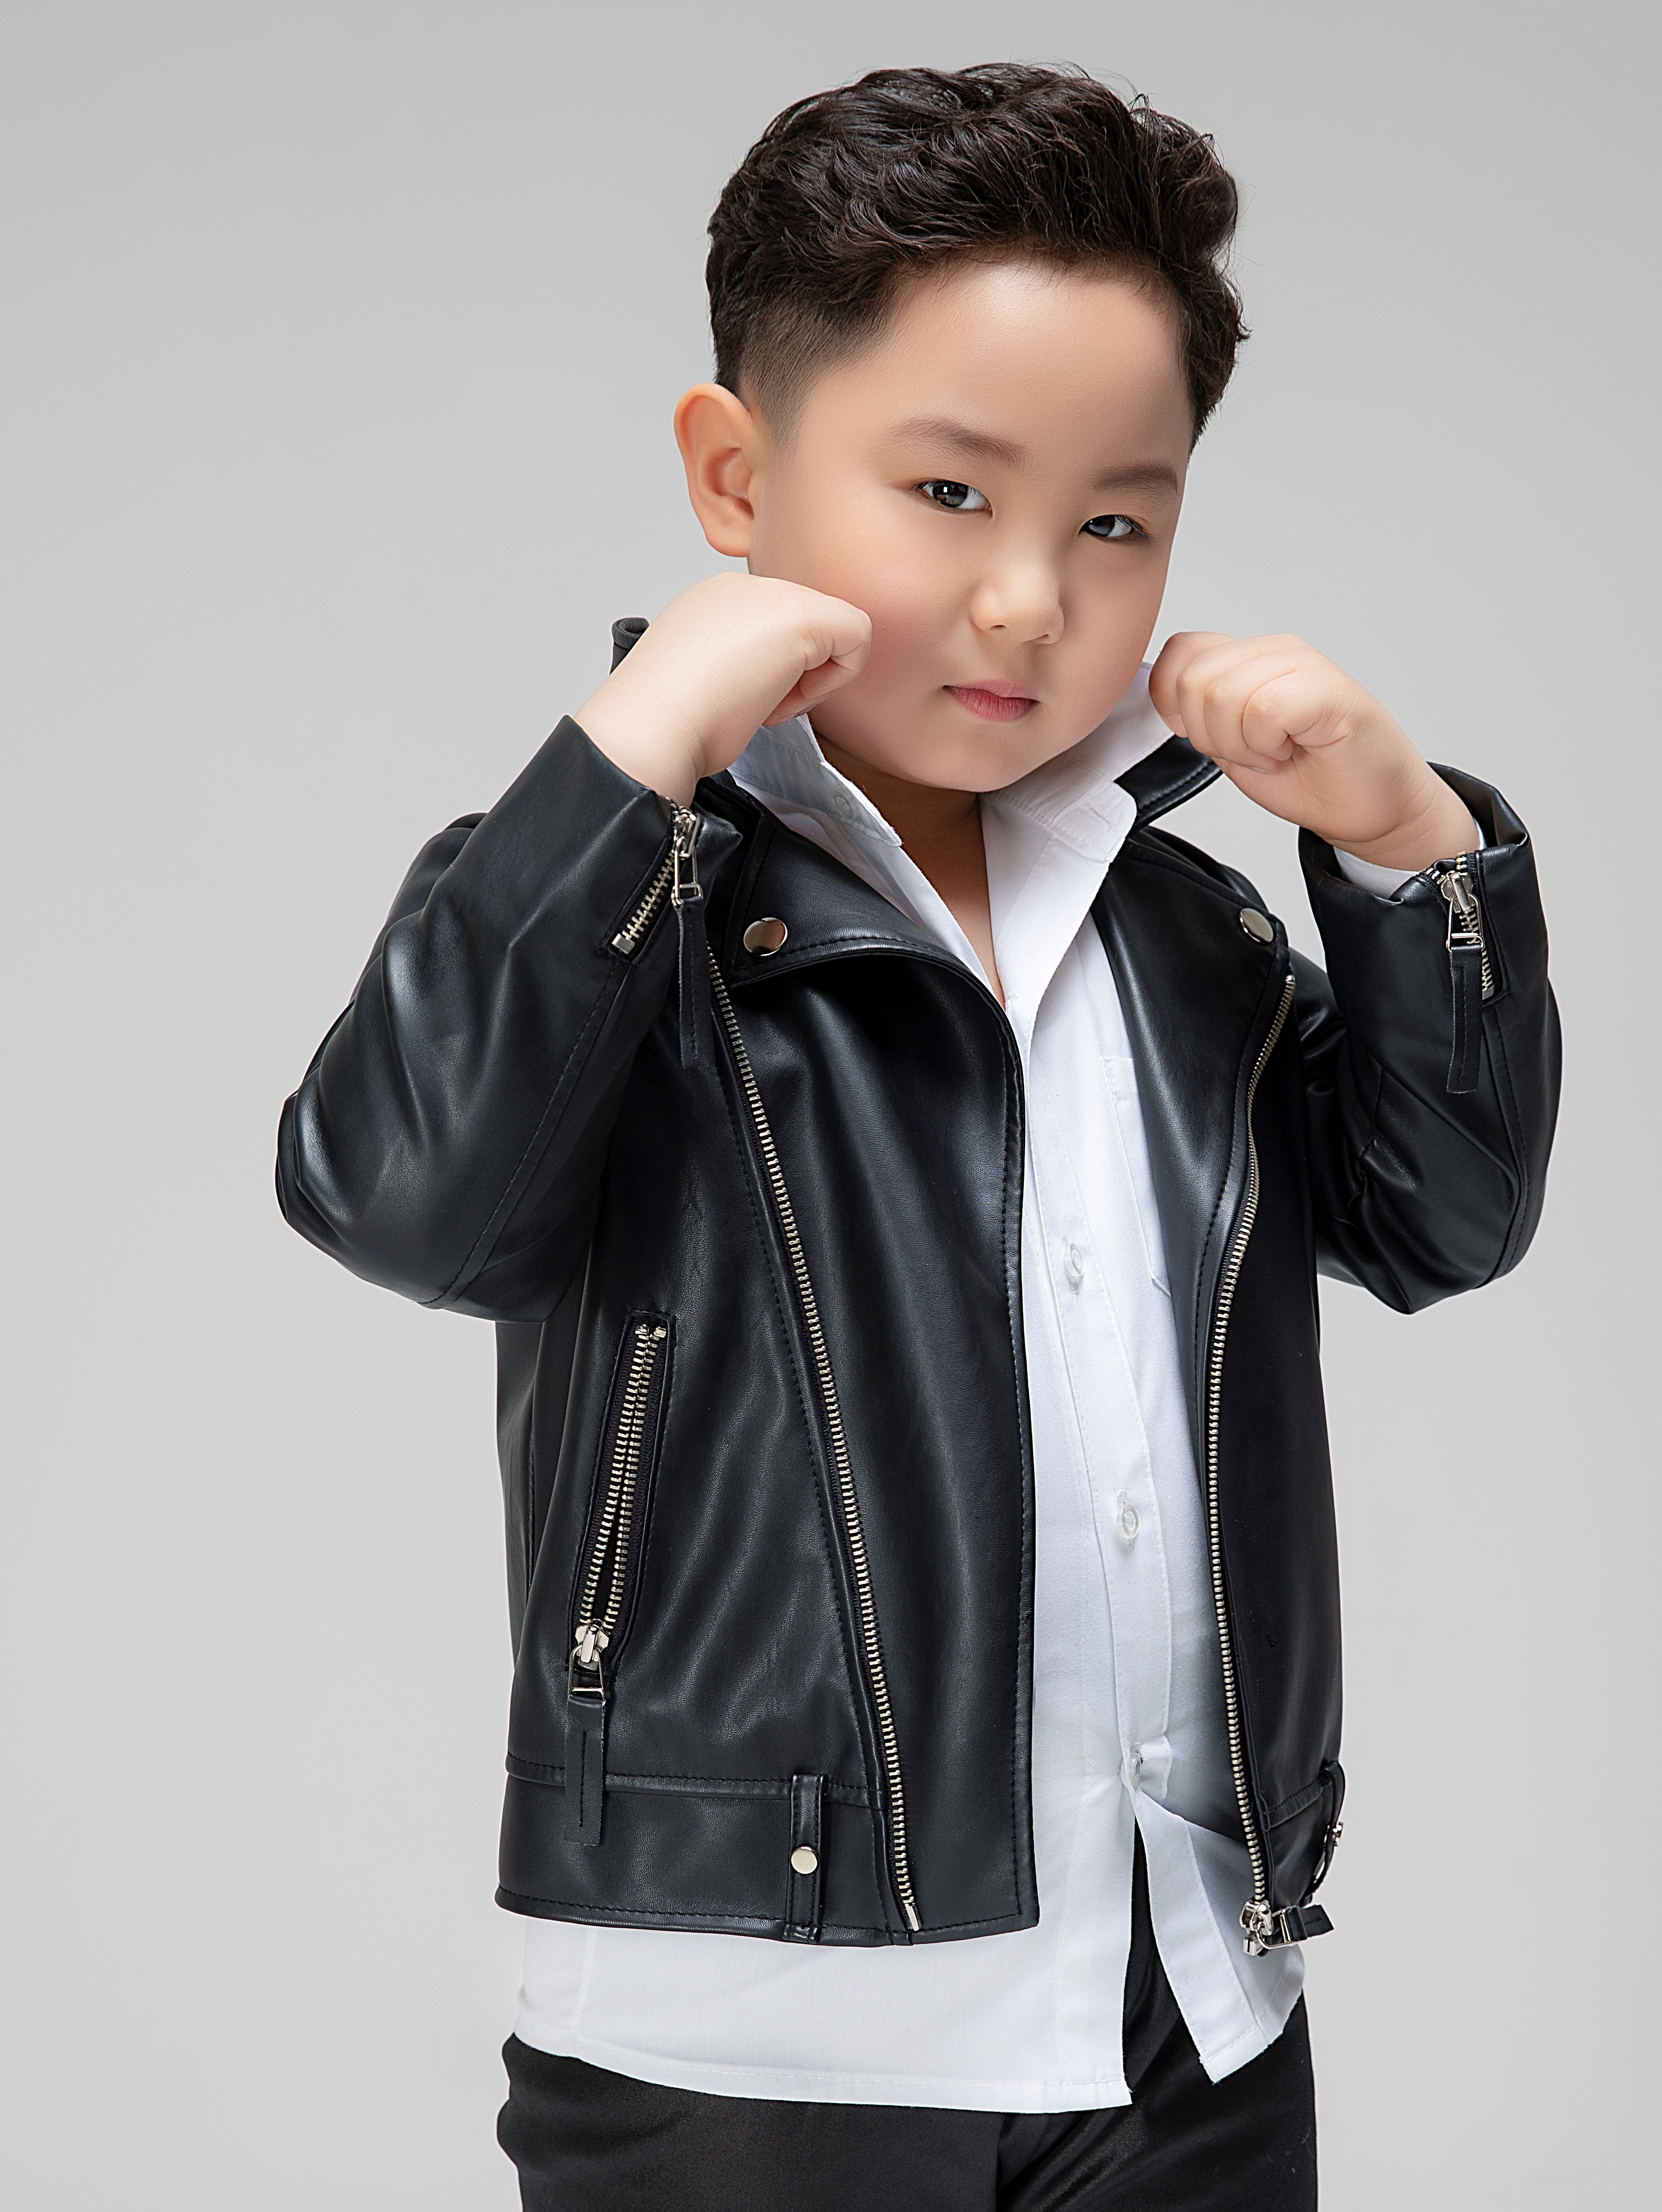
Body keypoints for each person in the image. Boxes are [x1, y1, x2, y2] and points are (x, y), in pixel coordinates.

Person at [277, 61, 1560, 2210]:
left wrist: (1405, 850)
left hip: (1184, 1999)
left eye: (1115, 523)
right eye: (948, 492)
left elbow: (1444, 1216)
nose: (1028, 601)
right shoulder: (606, 899)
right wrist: (627, 757)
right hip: (750, 2019)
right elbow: (403, 1201)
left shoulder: (1188, 932)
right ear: (734, 472)